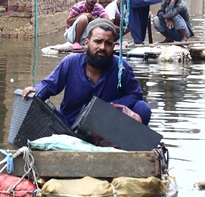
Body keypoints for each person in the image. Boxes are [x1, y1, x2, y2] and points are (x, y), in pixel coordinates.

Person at [21, 19, 152, 127]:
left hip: (106, 126)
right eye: (98, 41)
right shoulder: (71, 62)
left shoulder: (122, 67)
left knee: (143, 109)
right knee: (40, 106)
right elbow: (49, 85)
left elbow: (136, 95)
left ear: (113, 47)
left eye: (108, 43)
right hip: (69, 125)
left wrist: (108, 107)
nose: (102, 47)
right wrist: (35, 90)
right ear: (87, 43)